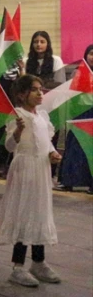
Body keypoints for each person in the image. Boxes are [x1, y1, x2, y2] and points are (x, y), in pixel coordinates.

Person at [0, 74, 61, 287]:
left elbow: (46, 141)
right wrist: (19, 131)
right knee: (24, 213)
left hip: (41, 169)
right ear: (22, 95)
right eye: (34, 89)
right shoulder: (17, 116)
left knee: (40, 212)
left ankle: (38, 262)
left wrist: (52, 153)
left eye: (41, 89)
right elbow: (10, 147)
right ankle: (18, 266)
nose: (40, 93)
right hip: (25, 170)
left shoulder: (42, 116)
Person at [59, 45, 93, 192]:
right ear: (85, 55)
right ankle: (68, 181)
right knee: (75, 146)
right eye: (91, 54)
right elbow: (71, 95)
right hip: (80, 113)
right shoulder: (77, 72)